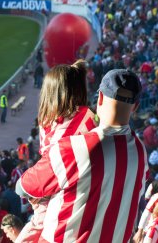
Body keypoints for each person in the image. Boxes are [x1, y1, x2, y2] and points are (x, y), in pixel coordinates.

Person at [16, 69, 148, 242]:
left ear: (100, 97)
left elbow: (24, 187)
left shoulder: (72, 148)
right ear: (136, 106)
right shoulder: (140, 152)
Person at [16, 60, 97, 242]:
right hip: (59, 193)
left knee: (34, 231)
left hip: (65, 200)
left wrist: (26, 185)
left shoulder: (79, 120)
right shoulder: (65, 119)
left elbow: (54, 164)